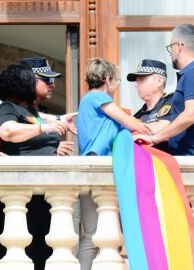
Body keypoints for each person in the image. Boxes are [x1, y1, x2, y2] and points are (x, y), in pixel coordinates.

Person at [76, 58, 149, 270]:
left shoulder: (86, 101)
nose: (116, 87)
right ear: (107, 80)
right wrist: (148, 127)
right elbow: (130, 123)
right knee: (99, 235)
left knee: (92, 234)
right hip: (99, 169)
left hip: (91, 167)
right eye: (116, 82)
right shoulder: (98, 97)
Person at [0, 64, 67, 270]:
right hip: (22, 191)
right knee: (22, 251)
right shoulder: (7, 108)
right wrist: (43, 127)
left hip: (45, 193)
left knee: (43, 250)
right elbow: (7, 131)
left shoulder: (31, 111)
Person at [134, 23, 194, 156]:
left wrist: (154, 138)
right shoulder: (193, 72)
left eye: (170, 48)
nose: (170, 54)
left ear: (179, 46)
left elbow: (191, 115)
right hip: (190, 156)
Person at [20, 56, 75, 156]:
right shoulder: (14, 108)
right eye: (47, 79)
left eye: (52, 80)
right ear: (30, 80)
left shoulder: (41, 111)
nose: (52, 85)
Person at [127, 59, 173, 152]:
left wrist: (133, 125)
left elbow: (164, 128)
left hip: (167, 163)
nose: (137, 84)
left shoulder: (173, 101)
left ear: (159, 81)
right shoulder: (138, 115)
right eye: (136, 80)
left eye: (142, 79)